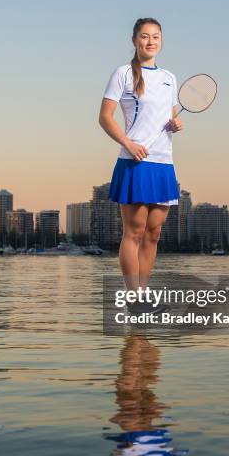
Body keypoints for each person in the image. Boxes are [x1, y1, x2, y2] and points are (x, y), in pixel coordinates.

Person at [99, 17, 183, 293]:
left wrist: (176, 124)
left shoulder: (169, 78)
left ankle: (143, 292)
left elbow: (168, 117)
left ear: (161, 40)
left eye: (156, 37)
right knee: (133, 233)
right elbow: (105, 118)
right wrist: (128, 143)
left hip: (163, 163)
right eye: (145, 36)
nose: (150, 42)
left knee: (153, 234)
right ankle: (132, 293)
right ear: (134, 40)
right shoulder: (122, 73)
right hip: (135, 161)